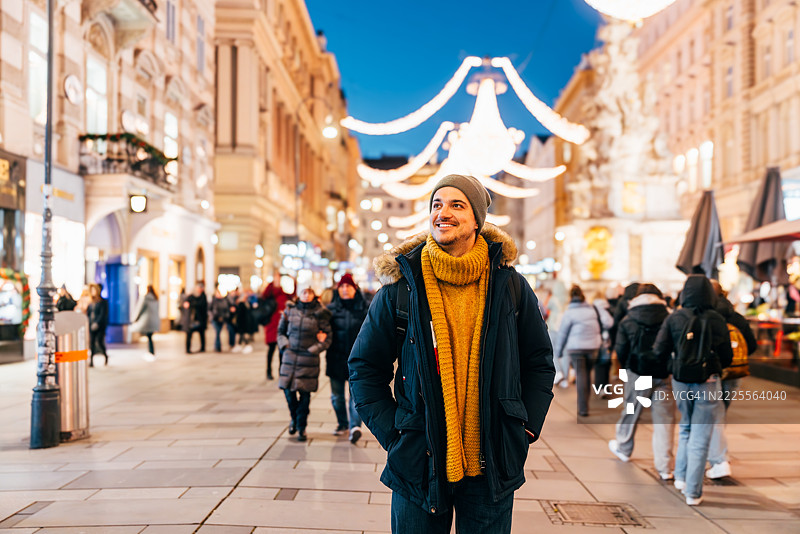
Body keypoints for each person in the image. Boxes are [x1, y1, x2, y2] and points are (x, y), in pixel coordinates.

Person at [349, 174, 555, 533]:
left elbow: (538, 362)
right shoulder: (402, 288)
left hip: (491, 461)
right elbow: (365, 368)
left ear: (477, 219)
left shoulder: (510, 288)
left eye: (456, 205)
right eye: (436, 204)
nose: (443, 212)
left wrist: (525, 429)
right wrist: (395, 433)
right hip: (419, 458)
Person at [653, 274, 733, 506]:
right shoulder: (716, 319)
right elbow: (727, 355)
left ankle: (680, 477)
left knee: (686, 427)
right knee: (701, 436)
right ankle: (693, 491)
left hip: (680, 380)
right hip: (708, 381)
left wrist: (675, 363)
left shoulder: (675, 317)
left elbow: (659, 349)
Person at [608, 283, 675, 480]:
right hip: (664, 374)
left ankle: (623, 447)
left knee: (631, 411)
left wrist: (628, 365)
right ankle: (665, 467)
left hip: (638, 373)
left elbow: (621, 349)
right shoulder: (669, 317)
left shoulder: (629, 319)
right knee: (665, 421)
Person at [707, 279, 757, 479]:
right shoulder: (736, 316)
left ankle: (719, 459)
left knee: (713, 416)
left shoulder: (706, 316)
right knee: (720, 413)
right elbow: (751, 345)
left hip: (712, 372)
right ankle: (716, 455)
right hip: (734, 372)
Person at [277, 285, 332, 442]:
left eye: (309, 292)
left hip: (308, 359)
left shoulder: (320, 313)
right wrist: (285, 345)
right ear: (299, 294)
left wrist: (314, 349)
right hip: (290, 357)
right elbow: (280, 332)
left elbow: (327, 337)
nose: (306, 295)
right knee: (289, 393)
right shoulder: (289, 310)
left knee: (305, 395)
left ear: (314, 294)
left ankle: (301, 427)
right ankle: (294, 418)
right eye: (304, 292)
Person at [554, 284, 613, 416]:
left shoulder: (569, 312)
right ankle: (585, 404)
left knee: (581, 375)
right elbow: (609, 322)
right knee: (586, 374)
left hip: (576, 349)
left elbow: (562, 333)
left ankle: (583, 408)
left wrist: (558, 352)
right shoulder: (593, 309)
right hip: (593, 347)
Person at [326, 273, 368, 443]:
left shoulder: (364, 308)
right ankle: (342, 423)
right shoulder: (330, 310)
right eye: (342, 286)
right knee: (336, 397)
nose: (345, 289)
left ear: (354, 288)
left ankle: (354, 427)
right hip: (335, 358)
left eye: (348, 286)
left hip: (357, 360)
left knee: (355, 396)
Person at [262, 275, 295, 380]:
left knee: (282, 350)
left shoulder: (283, 294)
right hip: (271, 325)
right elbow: (264, 295)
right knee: (271, 350)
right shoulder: (270, 294)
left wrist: (294, 282)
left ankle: (281, 371)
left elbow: (293, 296)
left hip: (282, 326)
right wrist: (272, 283)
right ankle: (268, 371)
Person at [132, 285, 160, 359]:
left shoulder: (145, 298)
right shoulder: (156, 298)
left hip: (147, 321)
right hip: (154, 321)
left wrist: (135, 318)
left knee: (149, 337)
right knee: (150, 337)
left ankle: (151, 352)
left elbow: (140, 309)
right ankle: (151, 351)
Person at [182, 282, 208, 353]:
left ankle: (202, 347)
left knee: (202, 334)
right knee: (189, 334)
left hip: (200, 319)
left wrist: (191, 304)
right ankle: (188, 349)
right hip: (192, 319)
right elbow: (185, 304)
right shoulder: (190, 297)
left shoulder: (203, 296)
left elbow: (202, 305)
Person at [87, 283, 108, 367]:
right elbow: (88, 313)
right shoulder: (91, 302)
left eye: (94, 290)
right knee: (91, 343)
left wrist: (97, 323)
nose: (93, 292)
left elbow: (103, 314)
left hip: (100, 326)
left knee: (99, 341)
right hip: (91, 324)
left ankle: (105, 355)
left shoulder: (103, 301)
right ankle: (91, 361)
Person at [210, 284, 233, 352]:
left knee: (218, 332)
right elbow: (210, 309)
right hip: (215, 319)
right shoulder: (213, 301)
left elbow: (226, 309)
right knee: (217, 332)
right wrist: (212, 316)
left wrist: (225, 316)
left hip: (222, 319)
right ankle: (217, 347)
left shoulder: (224, 301)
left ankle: (218, 346)